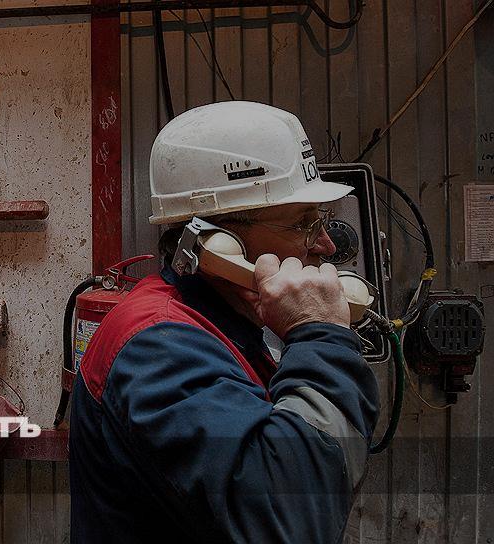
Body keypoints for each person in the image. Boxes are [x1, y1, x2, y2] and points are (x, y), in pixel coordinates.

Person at [69, 101, 379, 543]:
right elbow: (291, 522)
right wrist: (320, 338)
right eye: (303, 224)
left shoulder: (223, 330)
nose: (326, 245)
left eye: (322, 221)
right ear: (219, 243)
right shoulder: (158, 350)